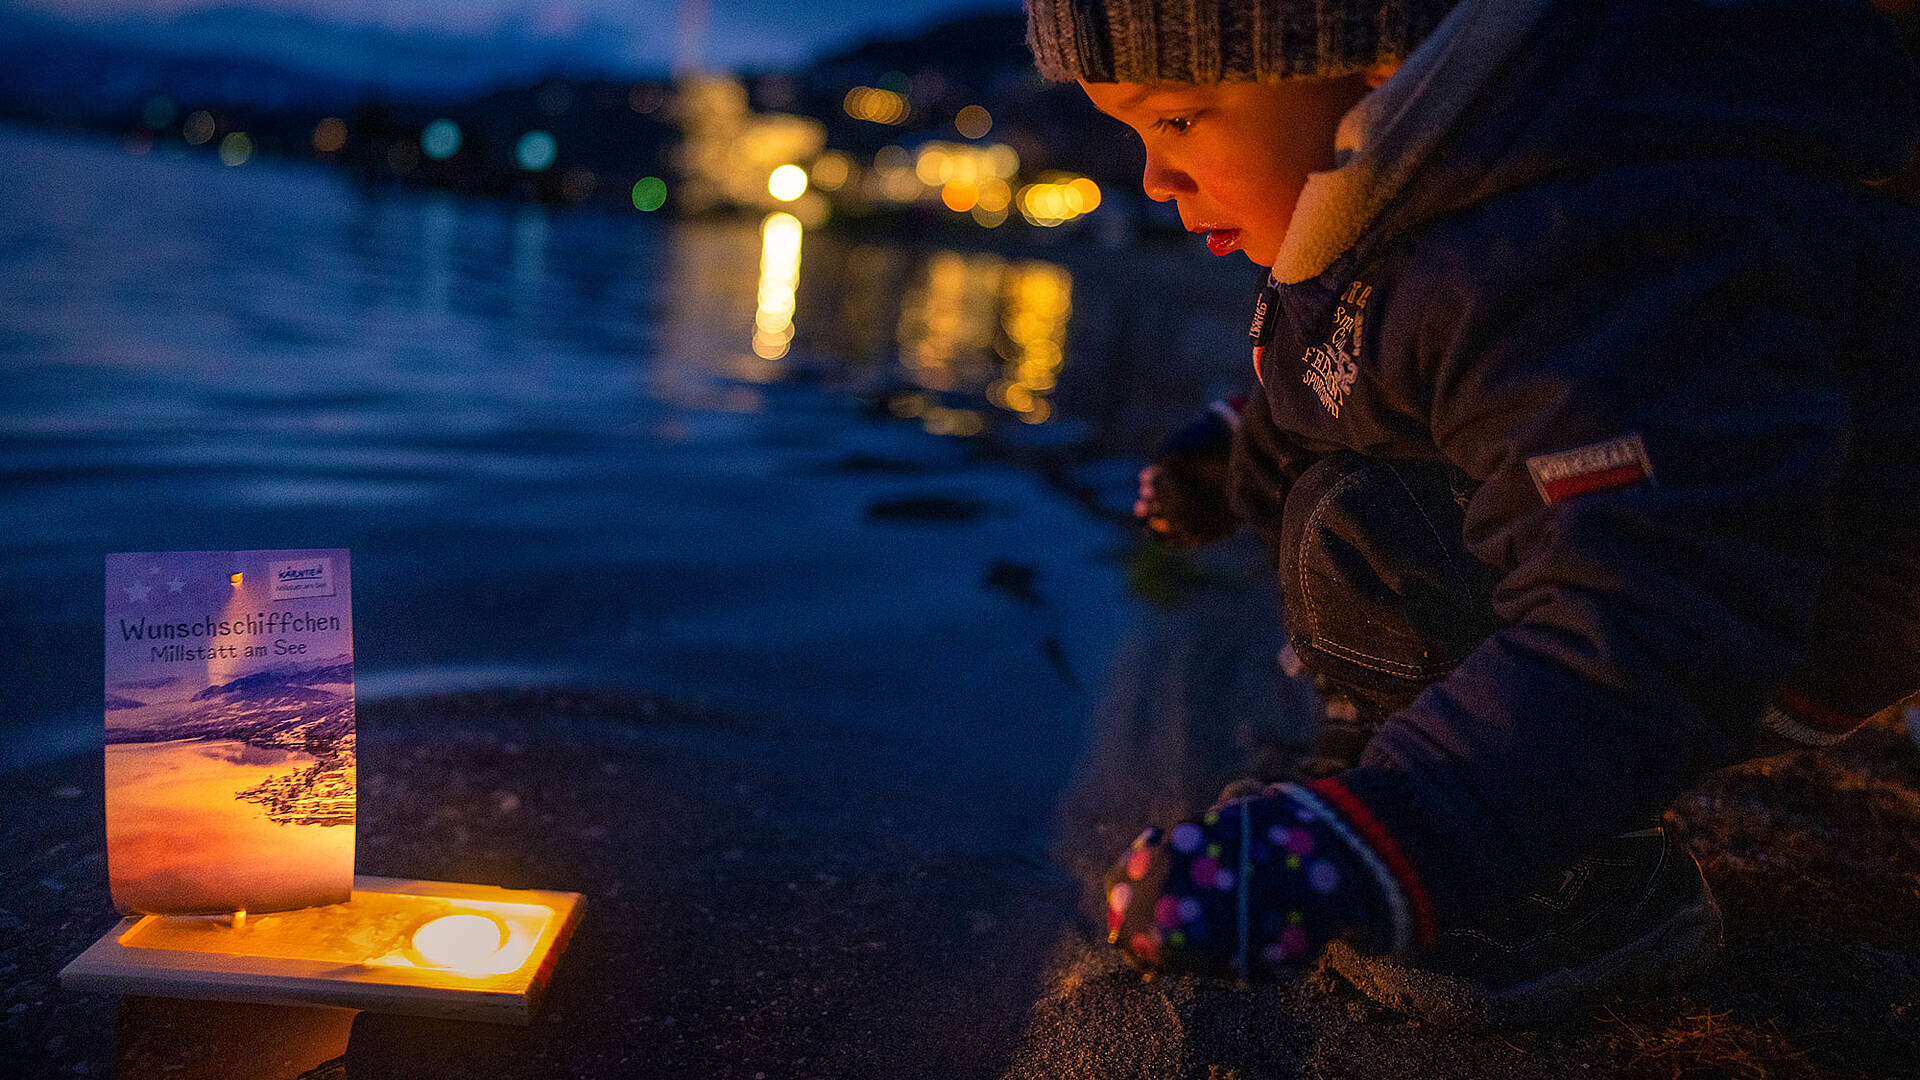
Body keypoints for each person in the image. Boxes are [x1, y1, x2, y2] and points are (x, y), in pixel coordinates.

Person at [1025, 0, 1920, 1026]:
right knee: (1345, 509)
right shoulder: (1436, 198)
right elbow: (1357, 380)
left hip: (1777, 610)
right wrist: (1232, 460)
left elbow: (1656, 611)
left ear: (1370, 67)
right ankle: (1410, 774)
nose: (1153, 178)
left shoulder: (1587, 242)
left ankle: (1573, 882)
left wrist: (1396, 838)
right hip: (1702, 577)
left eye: (1176, 118)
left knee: (1369, 527)